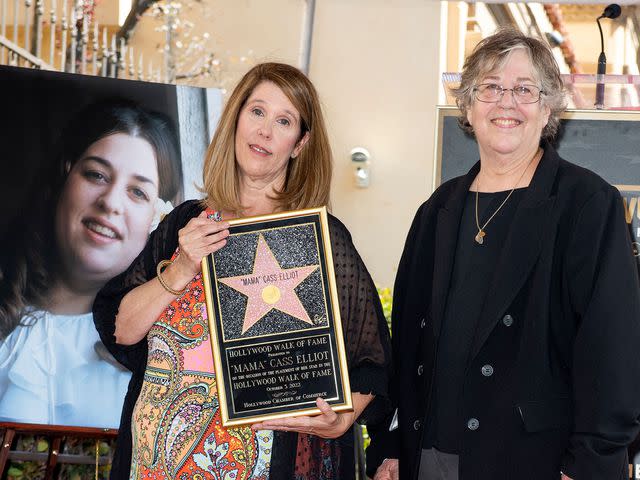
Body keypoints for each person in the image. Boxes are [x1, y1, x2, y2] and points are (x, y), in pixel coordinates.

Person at [93, 62, 391, 479]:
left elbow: (373, 359)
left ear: (300, 143)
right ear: (236, 120)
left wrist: (342, 419)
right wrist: (180, 269)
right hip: (152, 466)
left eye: (283, 121)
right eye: (257, 112)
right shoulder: (183, 224)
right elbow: (120, 330)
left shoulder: (318, 238)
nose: (265, 131)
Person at [368, 28, 640, 480]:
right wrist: (392, 445)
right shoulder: (436, 211)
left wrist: (590, 466)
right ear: (469, 107)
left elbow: (613, 351)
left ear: (547, 106)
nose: (506, 102)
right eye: (490, 88)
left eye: (523, 89)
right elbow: (407, 346)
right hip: (429, 457)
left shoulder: (587, 204)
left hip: (536, 462)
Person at [0, 100, 182, 428]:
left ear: (159, 221)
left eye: (138, 193)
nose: (110, 202)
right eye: (97, 174)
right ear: (65, 178)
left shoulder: (164, 357)